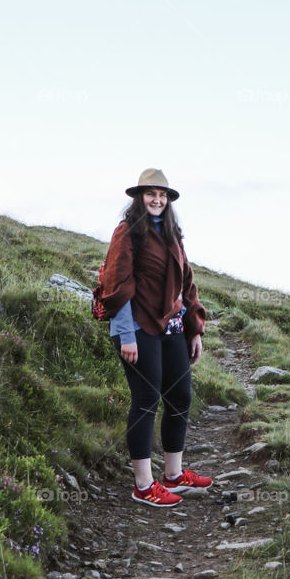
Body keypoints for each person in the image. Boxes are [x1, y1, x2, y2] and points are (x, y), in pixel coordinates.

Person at [98, 168, 213, 507]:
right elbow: (117, 284)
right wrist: (125, 335)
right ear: (139, 197)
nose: (157, 200)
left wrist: (194, 329)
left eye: (162, 195)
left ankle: (174, 476)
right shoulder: (127, 232)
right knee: (146, 401)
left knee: (179, 398)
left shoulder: (173, 235)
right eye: (151, 194)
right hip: (137, 329)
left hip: (173, 329)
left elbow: (186, 284)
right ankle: (143, 485)